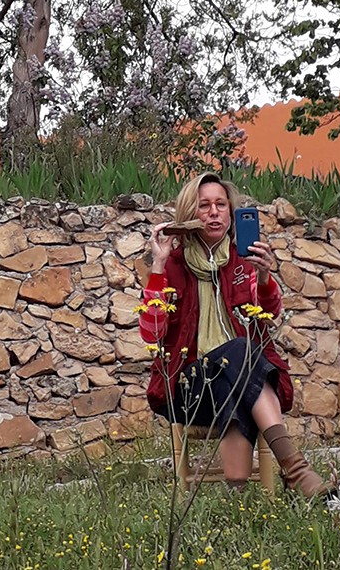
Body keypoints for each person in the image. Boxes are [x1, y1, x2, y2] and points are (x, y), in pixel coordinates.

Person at [138, 171, 329, 497]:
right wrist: (157, 266)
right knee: (241, 353)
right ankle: (296, 470)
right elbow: (152, 333)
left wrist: (266, 277)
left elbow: (268, 318)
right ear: (189, 214)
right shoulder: (171, 265)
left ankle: (236, 500)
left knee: (241, 370)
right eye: (204, 206)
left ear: (230, 211)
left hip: (240, 376)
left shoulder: (244, 259)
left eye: (221, 205)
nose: (214, 212)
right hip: (191, 386)